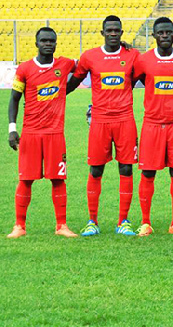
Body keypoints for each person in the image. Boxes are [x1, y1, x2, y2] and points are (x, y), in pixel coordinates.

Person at [66, 16, 140, 237]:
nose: (113, 33)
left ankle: (123, 221)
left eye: (117, 30)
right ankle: (92, 221)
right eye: (109, 30)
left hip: (125, 119)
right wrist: (55, 95)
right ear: (102, 32)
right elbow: (74, 82)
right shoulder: (90, 57)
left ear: (122, 32)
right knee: (96, 169)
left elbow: (149, 76)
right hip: (99, 121)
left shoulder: (133, 55)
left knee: (126, 168)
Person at [7, 27, 77, 238]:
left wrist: (122, 47)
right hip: (30, 133)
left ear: (56, 44)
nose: (48, 44)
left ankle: (61, 226)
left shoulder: (64, 64)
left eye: (52, 41)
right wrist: (12, 128)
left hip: (55, 133)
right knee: (26, 179)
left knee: (58, 179)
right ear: (36, 43)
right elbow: (14, 99)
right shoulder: (25, 68)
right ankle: (19, 226)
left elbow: (88, 64)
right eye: (44, 41)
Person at [132, 17, 173, 236]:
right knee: (148, 173)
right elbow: (130, 83)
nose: (164, 36)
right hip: (151, 124)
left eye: (168, 32)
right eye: (160, 33)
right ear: (154, 36)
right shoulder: (144, 60)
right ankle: (145, 222)